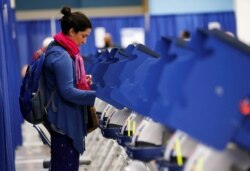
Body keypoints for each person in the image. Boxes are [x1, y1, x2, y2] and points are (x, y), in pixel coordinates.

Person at [43, 6, 96, 171]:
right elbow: (67, 92)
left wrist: (80, 80)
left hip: (60, 120)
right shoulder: (62, 56)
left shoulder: (57, 49)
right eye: (83, 36)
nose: (85, 41)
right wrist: (96, 95)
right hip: (64, 123)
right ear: (72, 31)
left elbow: (63, 84)